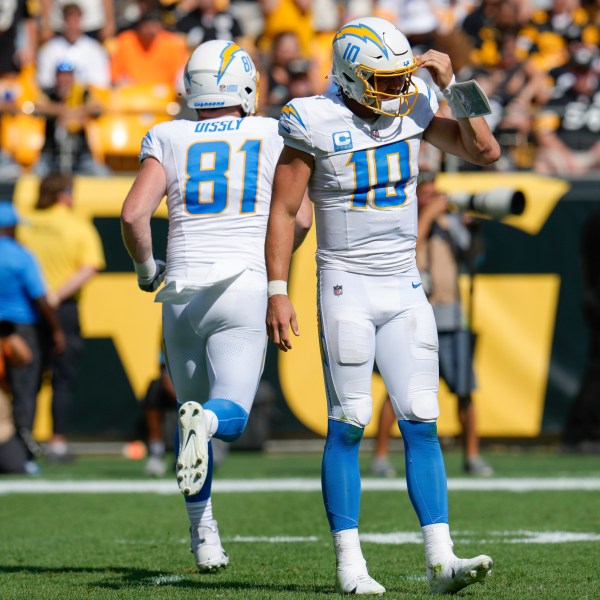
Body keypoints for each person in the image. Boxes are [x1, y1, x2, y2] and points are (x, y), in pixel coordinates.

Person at [265, 16, 500, 595]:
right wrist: (277, 289)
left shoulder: (416, 104)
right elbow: (282, 209)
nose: (397, 90)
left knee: (422, 419)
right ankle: (350, 565)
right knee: (348, 422)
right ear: (347, 75)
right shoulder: (312, 118)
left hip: (404, 283)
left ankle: (441, 559)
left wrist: (454, 85)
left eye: (402, 79)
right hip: (345, 281)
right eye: (385, 80)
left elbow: (485, 150)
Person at [121, 39, 312, 572]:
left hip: (180, 292)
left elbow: (135, 215)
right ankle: (205, 436)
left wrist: (146, 271)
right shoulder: (273, 131)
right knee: (225, 415)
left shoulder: (169, 134)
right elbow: (299, 221)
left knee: (190, 422)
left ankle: (203, 537)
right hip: (242, 286)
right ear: (246, 84)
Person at [370, 173, 494, 478]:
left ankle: (472, 455)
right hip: (413, 319)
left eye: (436, 193)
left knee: (465, 389)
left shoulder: (447, 225)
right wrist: (428, 214)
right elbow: (411, 252)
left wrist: (471, 226)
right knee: (396, 390)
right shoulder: (404, 222)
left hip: (452, 317)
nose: (435, 199)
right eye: (427, 194)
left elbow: (471, 254)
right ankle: (381, 456)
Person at [17, 173, 105, 462]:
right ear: (64, 194)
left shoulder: (26, 224)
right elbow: (89, 267)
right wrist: (56, 295)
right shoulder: (76, 225)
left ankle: (23, 438)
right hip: (62, 308)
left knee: (27, 378)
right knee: (62, 378)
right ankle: (56, 443)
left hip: (28, 308)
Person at [0, 200, 65, 468]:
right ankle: (20, 450)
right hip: (21, 330)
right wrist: (56, 329)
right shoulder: (21, 256)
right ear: (11, 227)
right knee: (25, 389)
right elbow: (39, 298)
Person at [33, 60, 110, 177]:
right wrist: (61, 111)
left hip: (81, 155)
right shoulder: (48, 93)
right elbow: (36, 108)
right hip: (51, 154)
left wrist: (75, 113)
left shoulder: (83, 93)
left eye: (68, 75)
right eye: (61, 75)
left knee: (102, 174)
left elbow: (98, 108)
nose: (65, 79)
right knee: (36, 173)